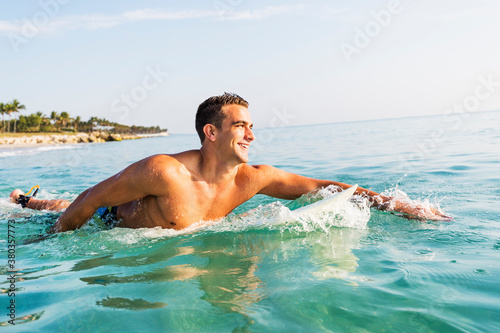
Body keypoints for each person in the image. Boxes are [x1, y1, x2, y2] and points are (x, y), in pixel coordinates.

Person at [9, 93, 451, 233]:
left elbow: (325, 187)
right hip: (111, 220)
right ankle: (31, 205)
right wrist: (49, 245)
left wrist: (397, 204)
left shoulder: (254, 179)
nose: (251, 134)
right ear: (211, 132)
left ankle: (37, 202)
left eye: (251, 125)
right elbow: (90, 199)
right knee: (67, 206)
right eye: (240, 125)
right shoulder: (164, 171)